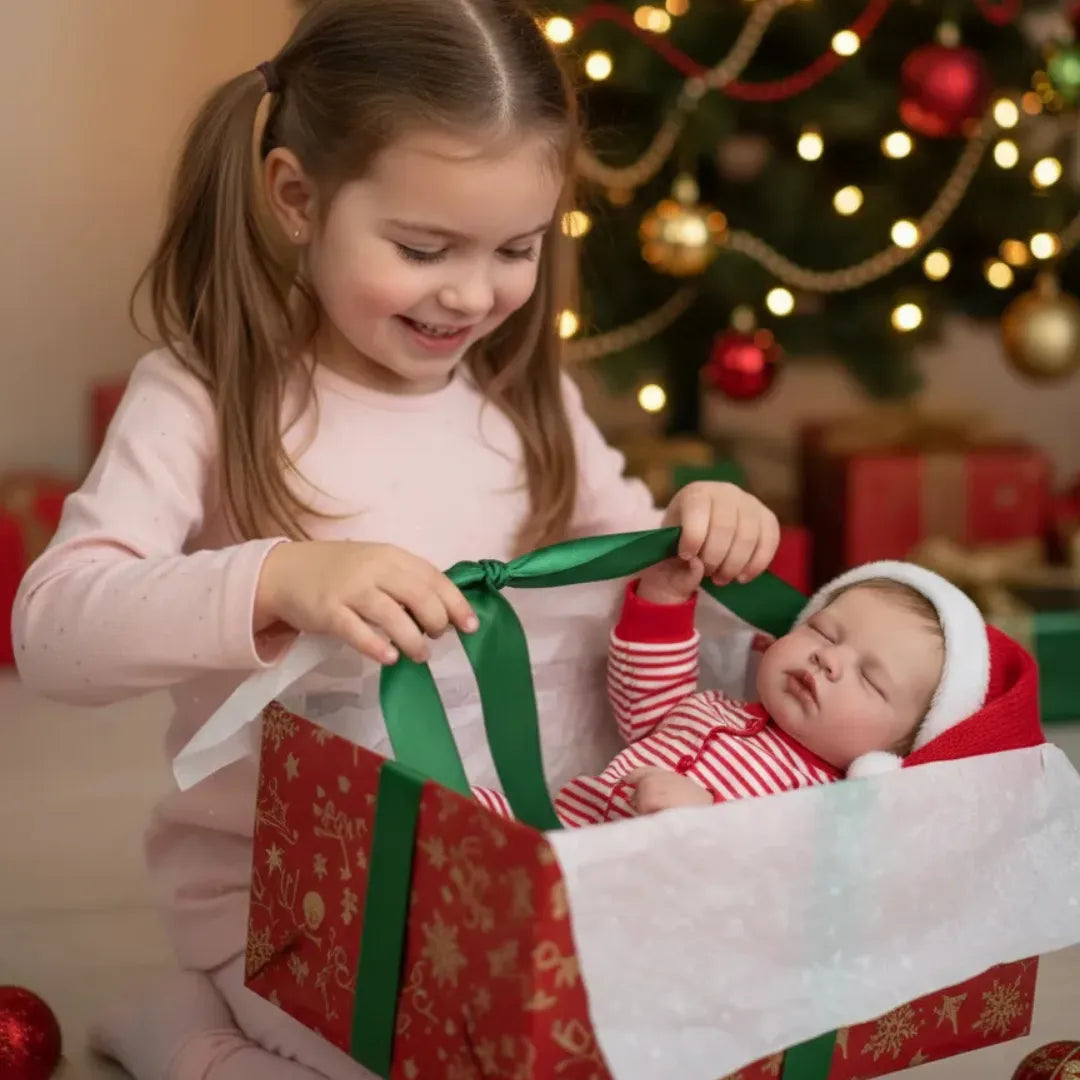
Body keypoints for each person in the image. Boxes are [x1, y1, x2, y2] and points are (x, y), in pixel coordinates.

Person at [12, 2, 781, 1078]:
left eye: (517, 248)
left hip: (519, 870)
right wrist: (282, 577)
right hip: (289, 900)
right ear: (297, 198)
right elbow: (51, 628)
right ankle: (178, 1032)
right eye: (424, 249)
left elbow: (646, 568)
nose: (473, 294)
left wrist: (701, 529)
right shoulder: (200, 398)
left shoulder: (531, 399)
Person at [473, 555, 1044, 825]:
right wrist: (664, 602)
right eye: (823, 631)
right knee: (452, 808)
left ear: (899, 752)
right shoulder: (714, 707)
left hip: (627, 896)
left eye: (870, 678)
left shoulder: (827, 804)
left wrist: (707, 820)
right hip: (551, 825)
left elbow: (776, 891)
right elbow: (646, 705)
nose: (829, 658)